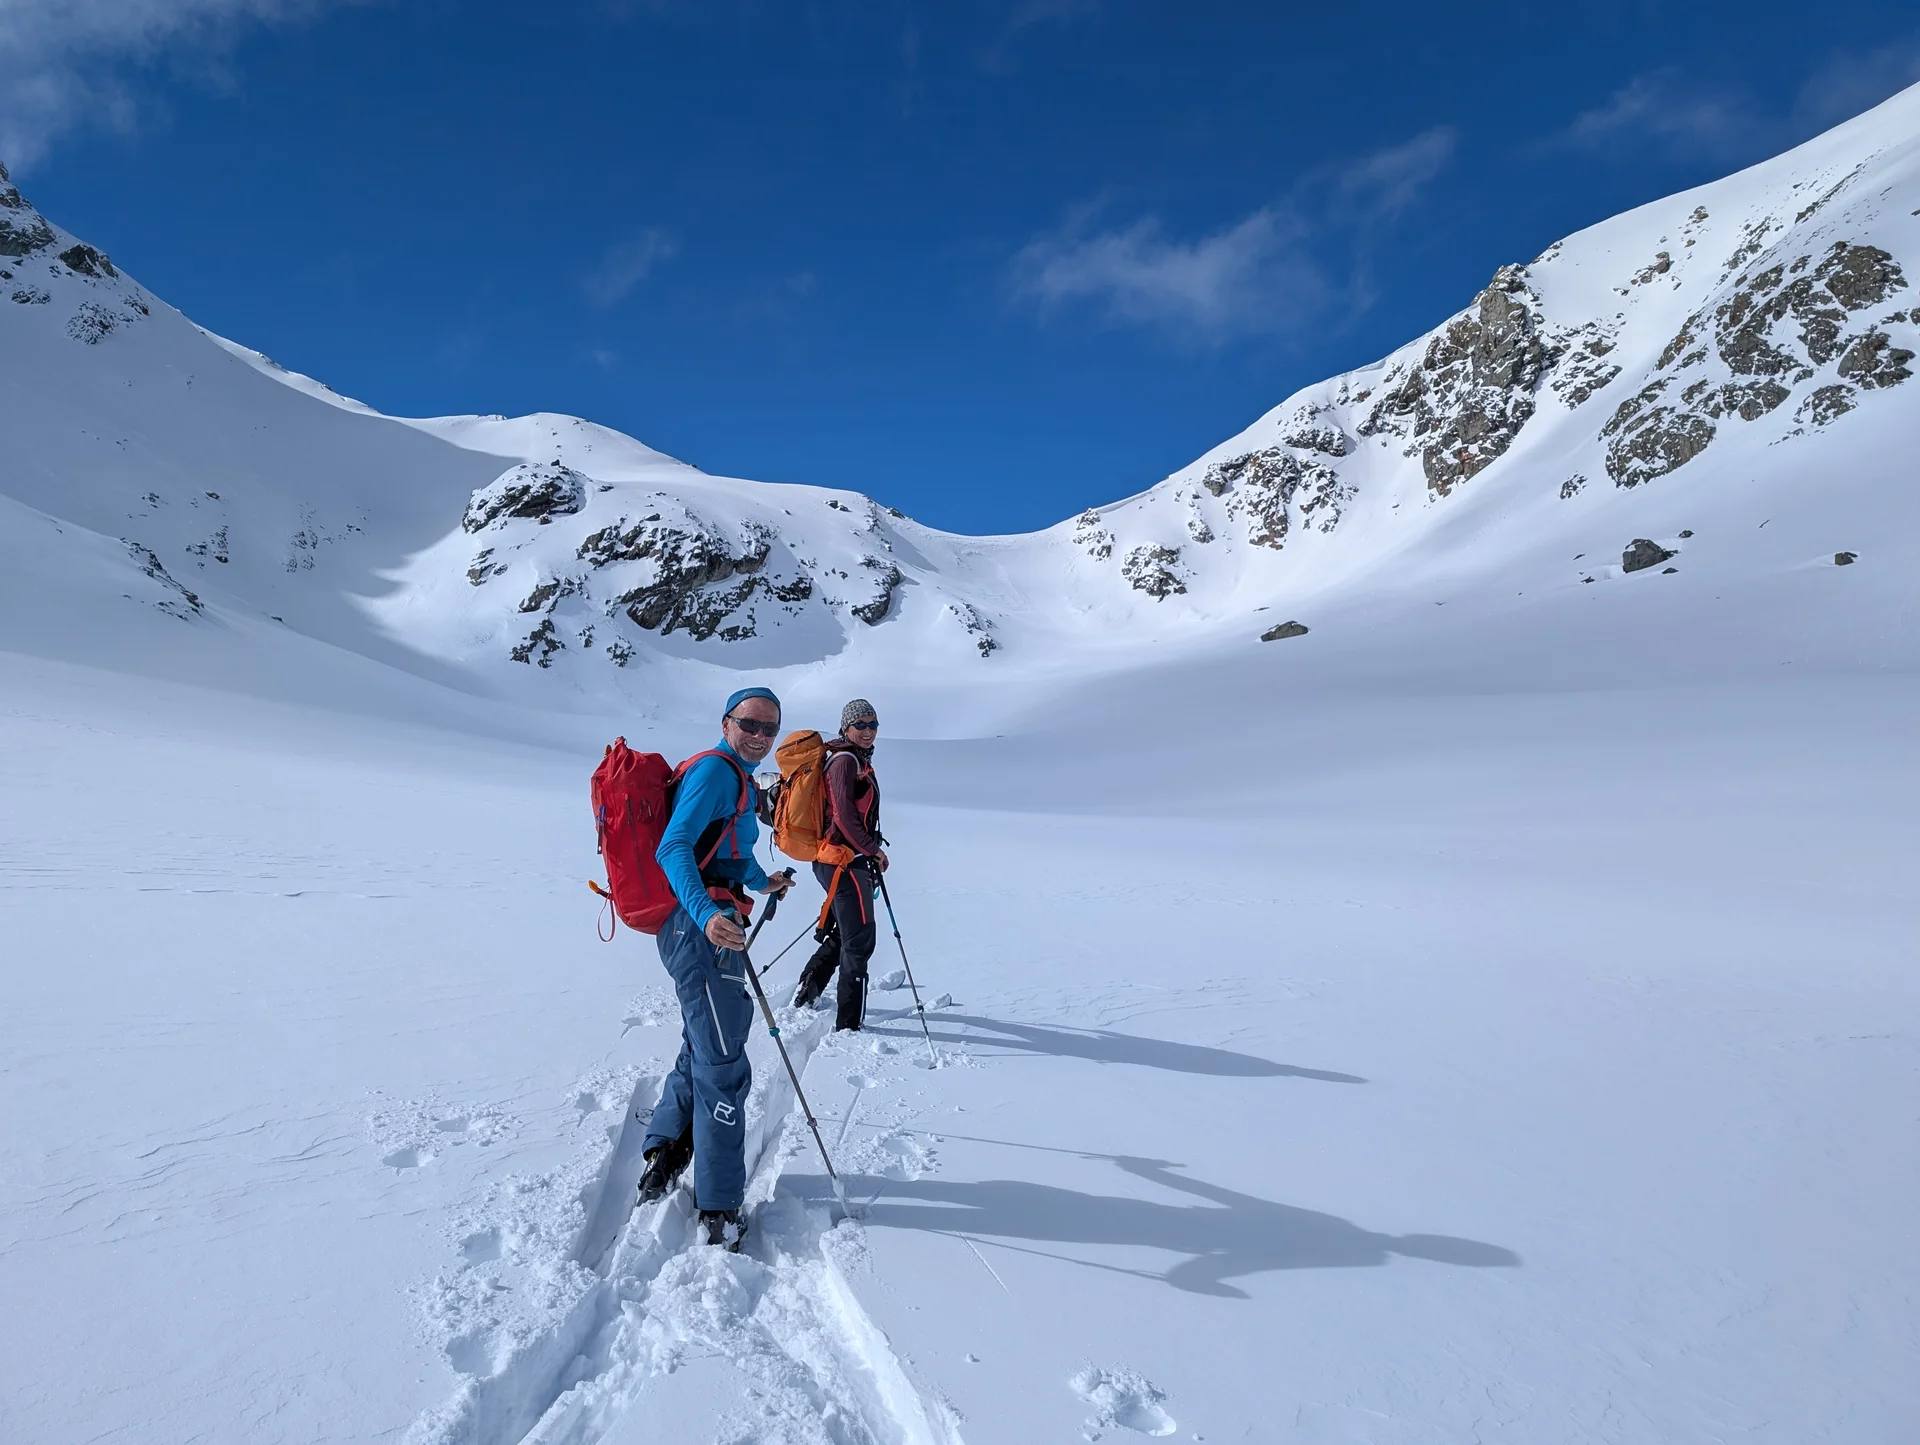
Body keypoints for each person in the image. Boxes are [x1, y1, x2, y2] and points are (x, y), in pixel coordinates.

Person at [636, 686, 793, 1249]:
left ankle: (665, 1150)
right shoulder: (716, 773)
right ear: (726, 723)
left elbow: (729, 853)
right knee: (724, 1064)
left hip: (705, 923)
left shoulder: (740, 781)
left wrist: (761, 881)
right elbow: (674, 847)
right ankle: (720, 1206)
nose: (759, 736)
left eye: (769, 729)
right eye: (750, 724)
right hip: (700, 929)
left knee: (701, 1044)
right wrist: (706, 915)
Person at [792, 699, 887, 1030]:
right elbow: (845, 817)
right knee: (860, 939)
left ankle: (809, 988)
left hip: (838, 861)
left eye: (873, 724)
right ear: (845, 727)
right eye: (860, 725)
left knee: (845, 932)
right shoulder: (844, 761)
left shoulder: (851, 759)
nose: (867, 731)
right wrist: (872, 850)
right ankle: (849, 1024)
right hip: (843, 861)